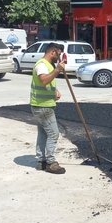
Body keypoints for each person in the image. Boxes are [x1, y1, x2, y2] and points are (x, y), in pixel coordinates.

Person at [31, 43, 67, 174]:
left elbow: (46, 82)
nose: (59, 56)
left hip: (41, 105)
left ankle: (41, 161)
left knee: (43, 134)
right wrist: (57, 70)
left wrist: (54, 90)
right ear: (52, 52)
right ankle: (51, 162)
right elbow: (44, 80)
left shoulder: (47, 65)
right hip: (43, 107)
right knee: (53, 134)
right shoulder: (42, 64)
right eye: (58, 53)